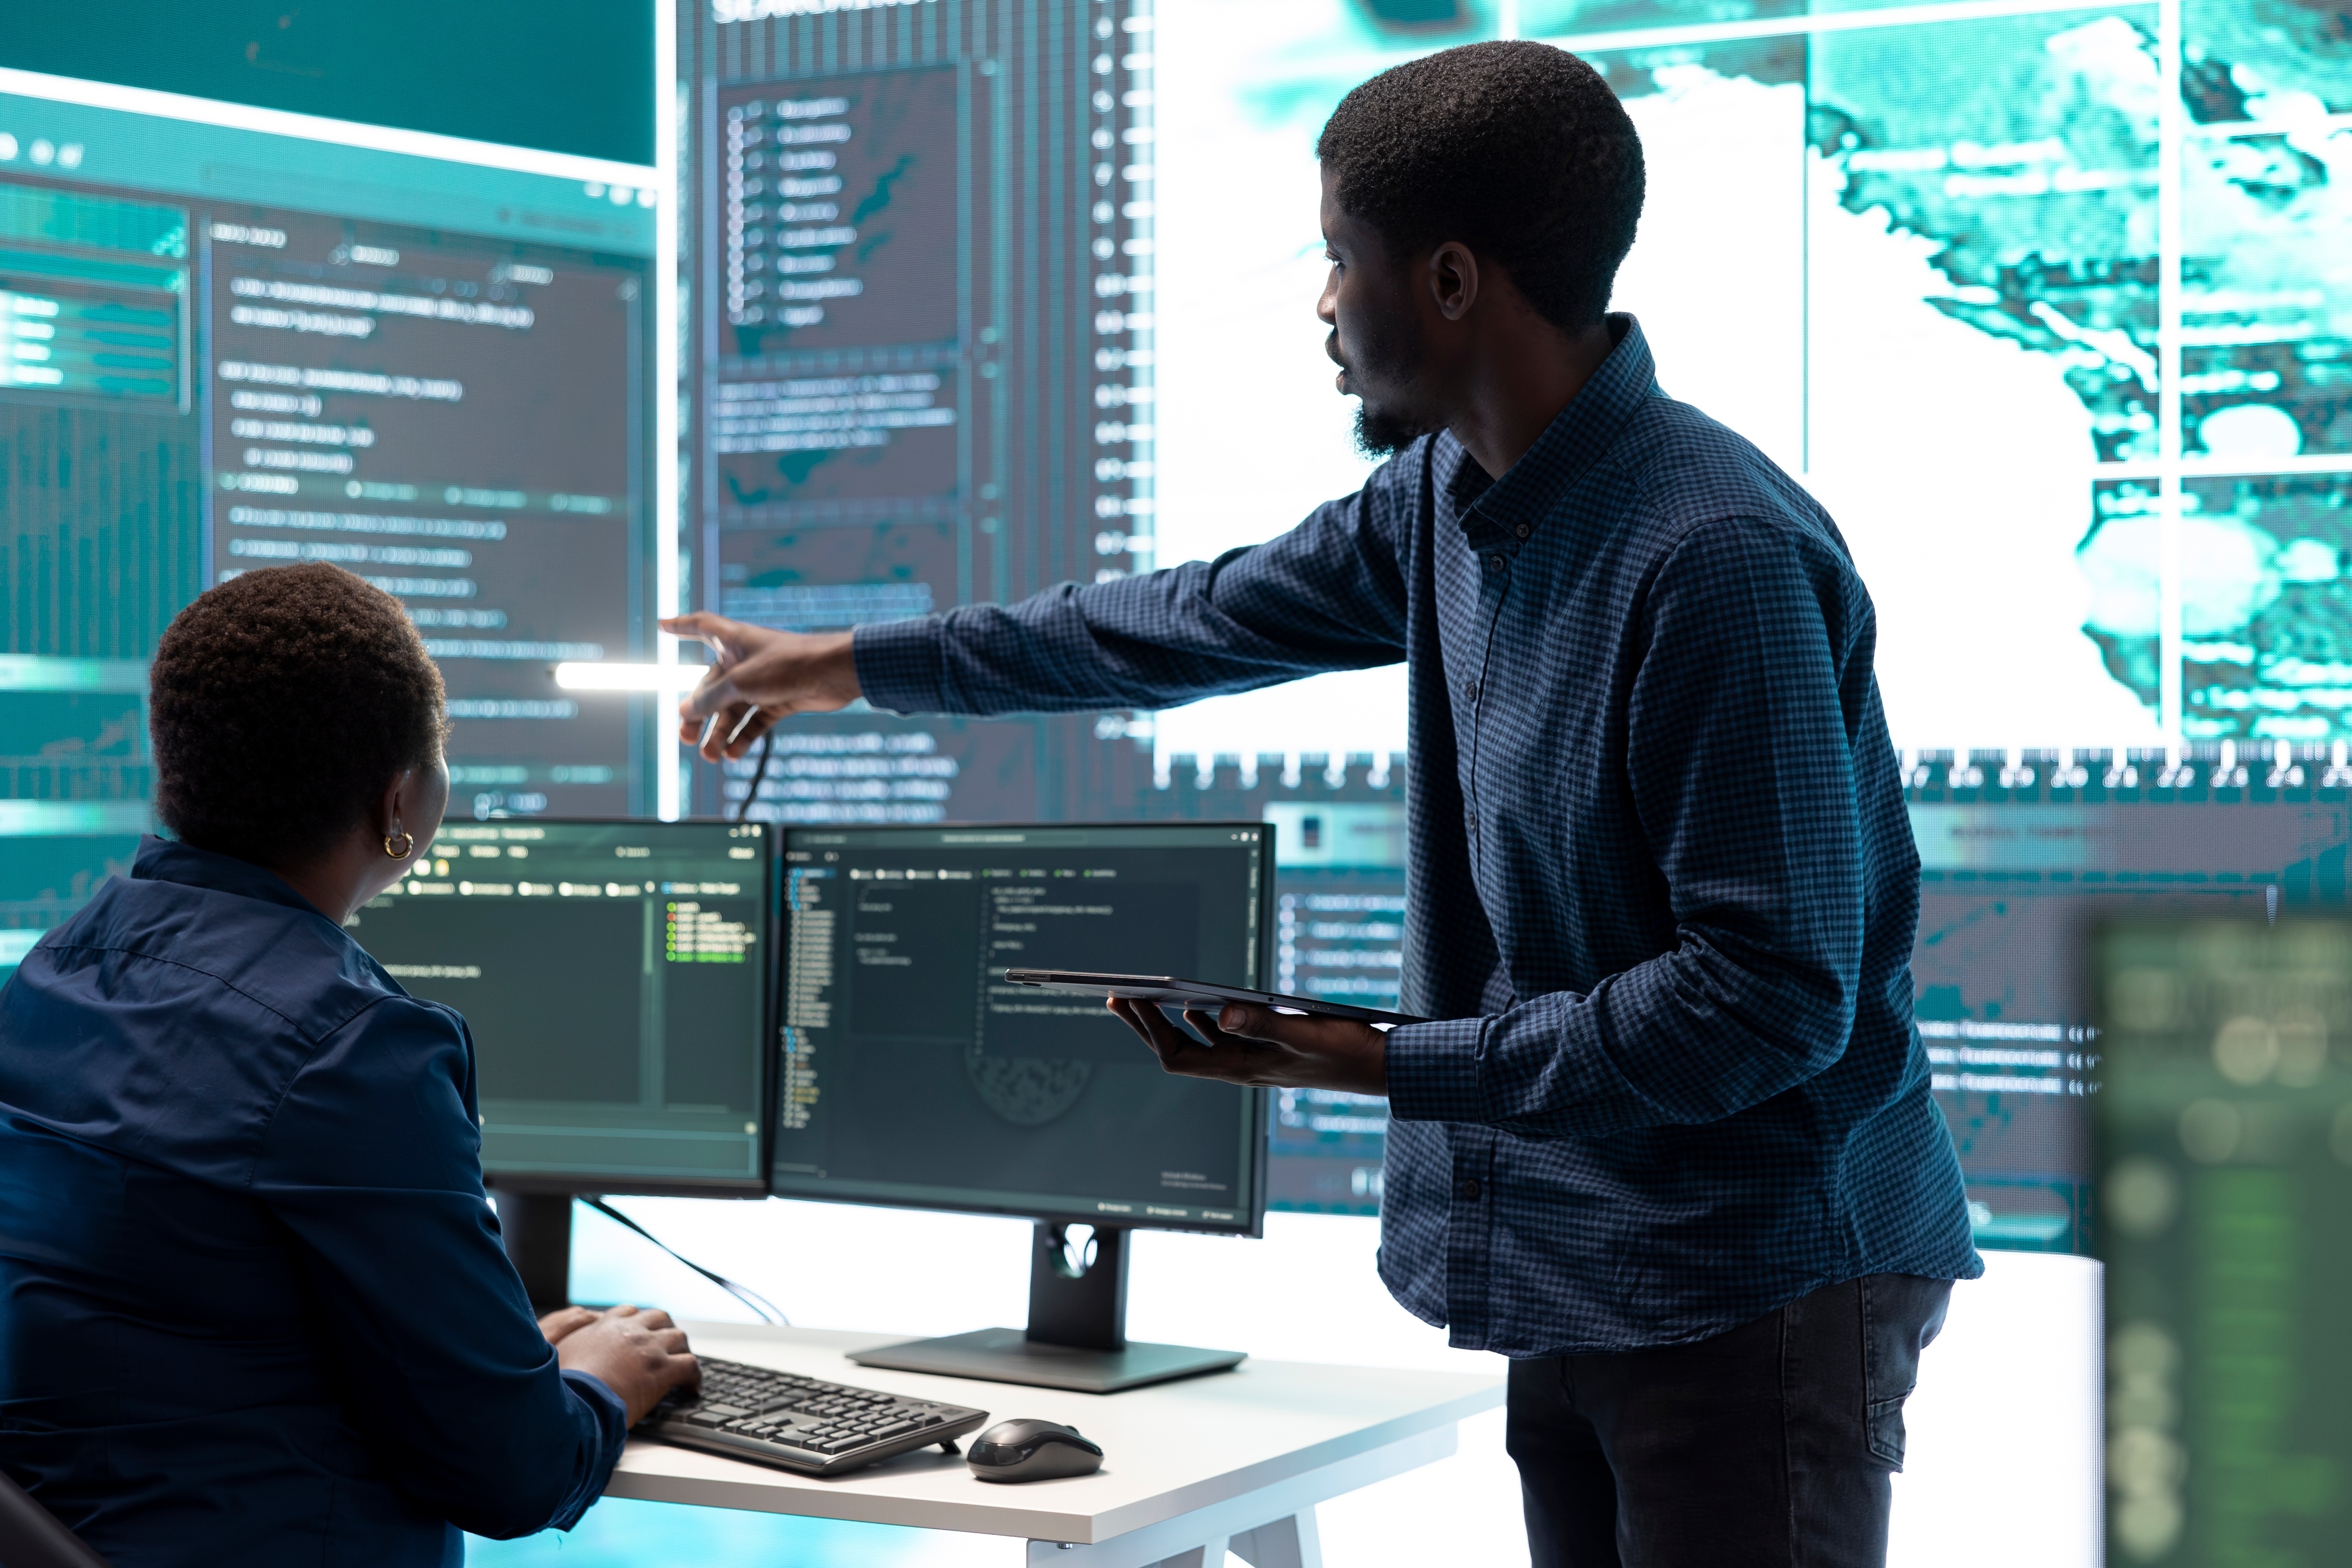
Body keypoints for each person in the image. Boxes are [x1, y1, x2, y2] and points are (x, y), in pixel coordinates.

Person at [666, 39, 1980, 1568]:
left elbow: (1765, 1001)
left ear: (1446, 281)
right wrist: (852, 662)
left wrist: (1369, 1056)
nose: (1319, 303)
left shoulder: (1715, 561)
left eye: (1334, 256)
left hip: (1754, 1282)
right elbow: (1181, 622)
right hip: (1587, 1254)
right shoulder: (1446, 497)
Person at [0, 564, 700, 1568]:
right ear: (402, 803)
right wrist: (596, 1379)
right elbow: (515, 1471)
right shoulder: (349, 1048)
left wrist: (499, 1363)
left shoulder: (52, 972)